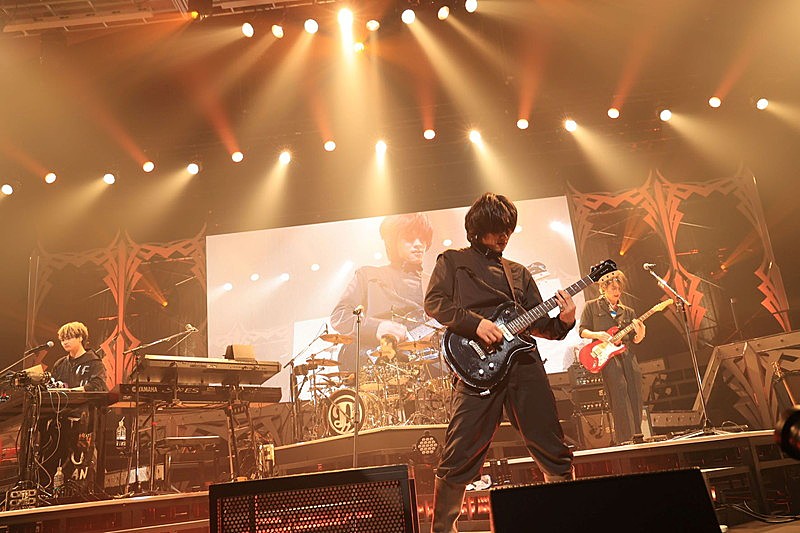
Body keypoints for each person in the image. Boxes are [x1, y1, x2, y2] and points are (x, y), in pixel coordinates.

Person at [424, 193, 576, 533]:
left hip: (524, 365)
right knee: (460, 449)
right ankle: (442, 529)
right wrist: (474, 324)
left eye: (508, 228)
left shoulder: (518, 273)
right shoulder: (453, 261)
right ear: (478, 228)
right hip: (477, 367)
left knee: (551, 444)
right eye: (497, 228)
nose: (504, 236)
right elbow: (434, 303)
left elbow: (541, 326)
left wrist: (564, 321)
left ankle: (566, 518)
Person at [330, 212, 435, 373]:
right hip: (376, 371)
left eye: (422, 239)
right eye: (409, 238)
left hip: (422, 371)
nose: (418, 244)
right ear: (393, 242)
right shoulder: (367, 275)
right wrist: (376, 327)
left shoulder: (434, 283)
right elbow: (340, 316)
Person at [39, 321, 108, 493]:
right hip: (60, 421)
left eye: (69, 338)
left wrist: (73, 391)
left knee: (81, 461)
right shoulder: (60, 364)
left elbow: (98, 385)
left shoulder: (94, 362)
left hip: (85, 422)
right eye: (63, 339)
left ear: (80, 338)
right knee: (57, 460)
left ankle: (84, 493)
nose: (65, 342)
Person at [579, 270, 646, 444]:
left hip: (627, 353)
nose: (617, 292)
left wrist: (641, 333)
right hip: (607, 356)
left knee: (635, 390)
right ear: (603, 289)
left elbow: (635, 339)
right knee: (619, 390)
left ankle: (638, 434)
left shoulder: (628, 311)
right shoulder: (591, 306)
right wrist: (598, 335)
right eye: (613, 288)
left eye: (619, 289)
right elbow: (582, 331)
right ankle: (625, 438)